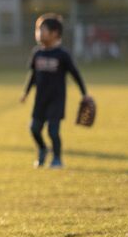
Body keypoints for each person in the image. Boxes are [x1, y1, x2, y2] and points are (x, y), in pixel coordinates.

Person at [21, 13, 90, 169]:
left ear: (55, 34)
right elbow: (33, 75)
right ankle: (43, 149)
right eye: (37, 30)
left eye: (42, 30)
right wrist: (25, 93)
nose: (38, 33)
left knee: (53, 130)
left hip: (56, 100)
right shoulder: (37, 53)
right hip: (41, 100)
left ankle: (57, 158)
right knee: (34, 128)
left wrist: (84, 93)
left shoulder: (62, 55)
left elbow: (75, 74)